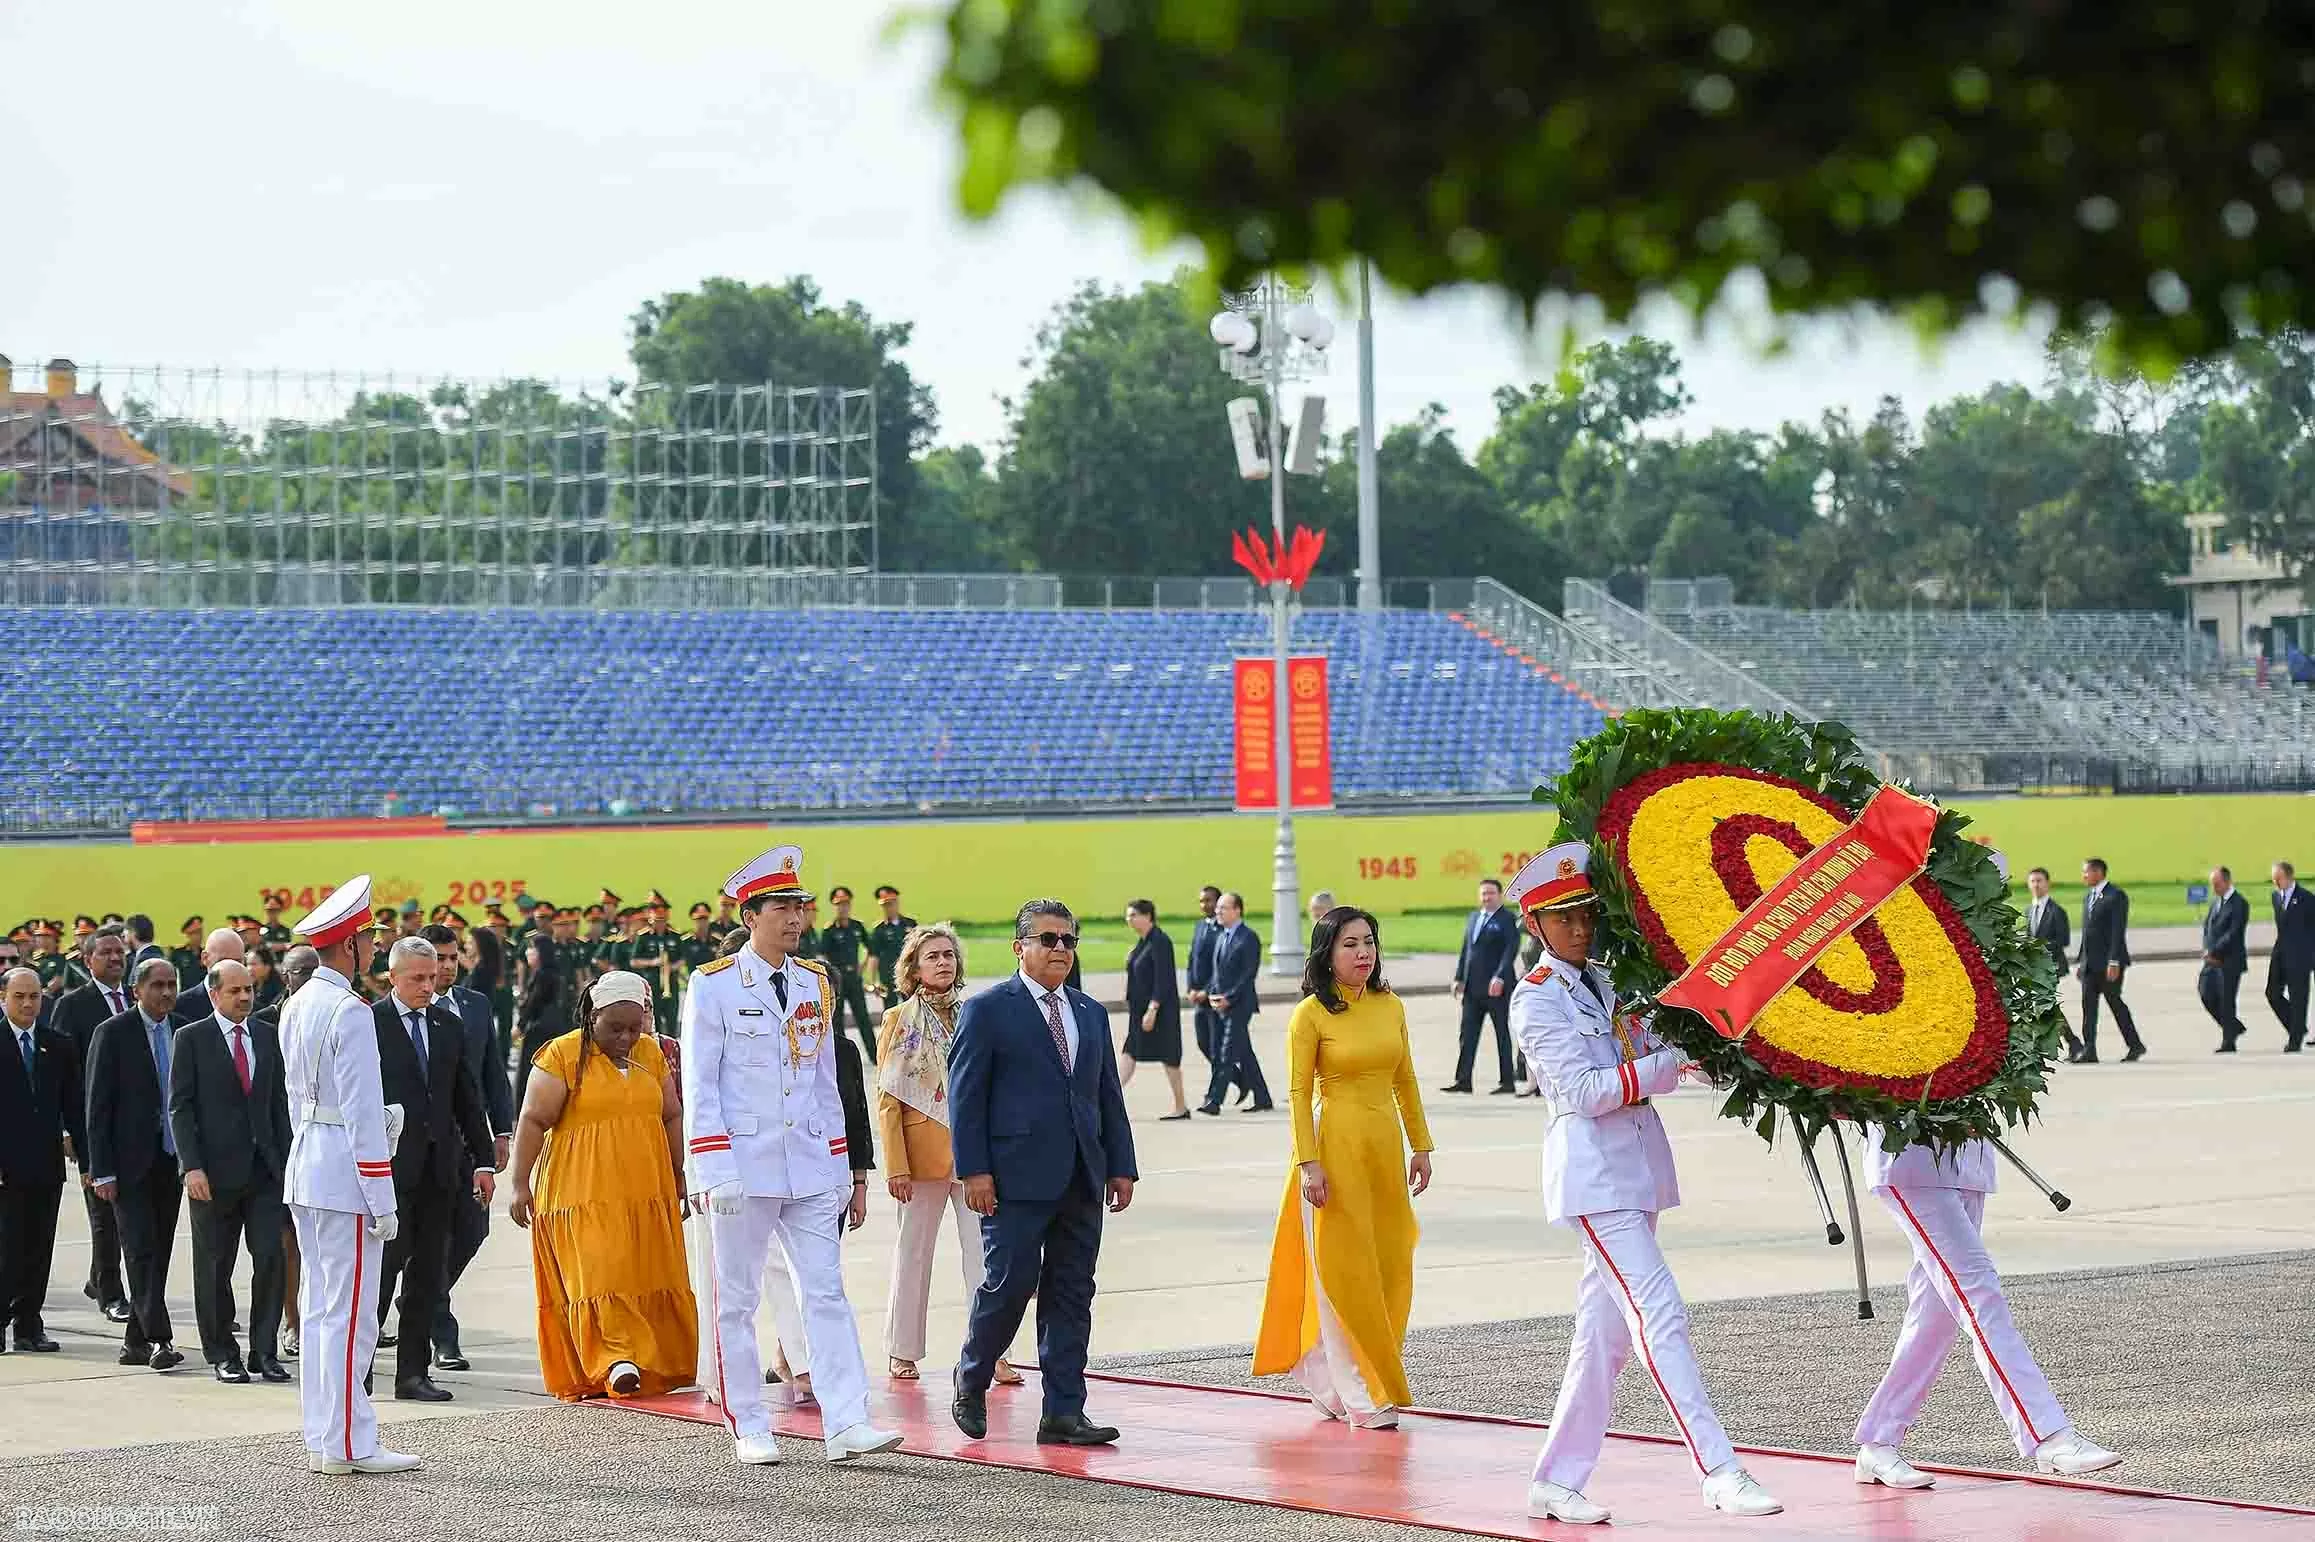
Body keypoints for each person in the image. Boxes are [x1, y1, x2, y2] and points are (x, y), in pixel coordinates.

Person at [1510, 843, 1780, 1525]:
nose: (1578, 928)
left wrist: (1715, 1055)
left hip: (1634, 1172)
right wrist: (1667, 1065)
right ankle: (1718, 1470)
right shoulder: (1534, 1000)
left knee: (1602, 1339)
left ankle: (1555, 1479)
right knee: (1659, 1313)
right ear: (1533, 925)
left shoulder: (1607, 981)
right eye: (1561, 918)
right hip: (1592, 1177)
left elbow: (1662, 1047)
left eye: (1585, 914)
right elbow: (1581, 1089)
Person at [683, 845, 900, 1466]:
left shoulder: (815, 983)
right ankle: (748, 1421)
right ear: (750, 915)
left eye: (799, 907)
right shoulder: (714, 985)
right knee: (738, 1298)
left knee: (825, 1291)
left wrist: (839, 1166)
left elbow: (825, 1081)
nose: (794, 918)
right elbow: (700, 1082)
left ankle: (847, 1419)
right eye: (780, 907)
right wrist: (712, 1165)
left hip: (806, 1163)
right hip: (741, 1166)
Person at [948, 899, 1138, 1447]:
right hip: (1011, 1180)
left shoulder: (1089, 1012)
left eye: (1068, 941)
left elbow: (1106, 1095)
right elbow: (966, 1099)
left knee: (1072, 1292)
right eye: (1048, 939)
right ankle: (972, 1377)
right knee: (1009, 1286)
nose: (1060, 950)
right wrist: (975, 1171)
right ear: (1020, 947)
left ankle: (1063, 1411)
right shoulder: (988, 1010)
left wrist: (1121, 1165)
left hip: (1082, 1176)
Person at [1851, 1125, 2120, 1486]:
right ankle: (2047, 1434)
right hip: (1911, 1161)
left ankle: (1878, 1440)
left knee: (1937, 1314)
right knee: (1979, 1296)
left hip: (1965, 1160)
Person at [1251, 906, 1433, 1427]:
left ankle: (1337, 1372)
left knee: (1391, 1266)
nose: (1363, 953)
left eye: (1369, 942)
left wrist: (1421, 1145)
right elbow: (1296, 1093)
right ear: (1327, 954)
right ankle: (1358, 1392)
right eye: (1350, 944)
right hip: (1335, 1150)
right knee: (1343, 1269)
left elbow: (1406, 1080)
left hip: (1385, 1150)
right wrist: (1309, 1163)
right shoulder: (1309, 1014)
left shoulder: (1390, 1004)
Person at [279, 876, 419, 1474]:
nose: (372, 950)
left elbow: (293, 1099)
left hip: (309, 1162)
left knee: (319, 1311)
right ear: (350, 946)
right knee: (352, 1317)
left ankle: (324, 1434)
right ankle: (348, 1443)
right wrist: (381, 1195)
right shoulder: (350, 1010)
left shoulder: (296, 1003)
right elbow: (364, 1115)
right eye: (367, 940)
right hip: (344, 1174)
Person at [508, 971, 697, 1400]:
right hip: (582, 1192)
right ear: (592, 1016)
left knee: (645, 1270)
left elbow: (671, 1113)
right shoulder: (562, 1054)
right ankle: (614, 1360)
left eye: (635, 1027)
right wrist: (520, 1183)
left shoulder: (650, 1053)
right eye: (616, 1027)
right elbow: (533, 1120)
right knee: (599, 1272)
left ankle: (651, 1360)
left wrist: (678, 1171)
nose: (627, 1037)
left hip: (646, 1190)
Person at [875, 924, 1021, 1384]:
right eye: (932, 956)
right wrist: (895, 1165)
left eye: (948, 955)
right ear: (914, 968)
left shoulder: (976, 1013)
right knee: (913, 1254)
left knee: (985, 1255)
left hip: (974, 1157)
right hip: (920, 1157)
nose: (942, 962)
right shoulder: (899, 1018)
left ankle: (991, 1349)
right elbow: (888, 1097)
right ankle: (903, 1351)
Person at [369, 936, 495, 1402]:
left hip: (439, 1171)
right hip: (389, 1172)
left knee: (427, 1276)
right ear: (393, 977)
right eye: (417, 978)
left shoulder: (447, 1024)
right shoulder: (371, 1024)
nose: (429, 985)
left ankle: (412, 1373)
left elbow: (467, 1097)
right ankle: (360, 1368)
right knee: (381, 1273)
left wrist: (482, 1159)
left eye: (432, 976)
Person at [168, 958, 292, 1385]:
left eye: (249, 990)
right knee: (215, 1266)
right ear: (213, 993)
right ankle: (222, 1351)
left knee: (271, 1260)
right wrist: (192, 1167)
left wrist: (287, 1163)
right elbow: (179, 1107)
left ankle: (264, 1351)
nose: (244, 997)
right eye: (235, 990)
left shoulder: (267, 1036)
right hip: (213, 1176)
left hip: (263, 1172)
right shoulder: (191, 1039)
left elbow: (278, 1105)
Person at [86, 955, 189, 1372]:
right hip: (128, 1165)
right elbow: (97, 1107)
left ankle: (134, 1344)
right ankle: (160, 1338)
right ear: (137, 991)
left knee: (158, 1250)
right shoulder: (112, 1033)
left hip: (172, 1160)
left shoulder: (184, 1029)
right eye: (157, 985)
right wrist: (102, 1169)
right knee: (140, 1249)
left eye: (171, 984)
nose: (166, 992)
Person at [421, 924, 513, 1373]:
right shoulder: (405, 1012)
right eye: (438, 958)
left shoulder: (475, 1007)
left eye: (453, 957)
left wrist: (501, 1132)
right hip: (427, 1144)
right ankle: (442, 1332)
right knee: (433, 1236)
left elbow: (493, 1073)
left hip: (471, 1143)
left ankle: (423, 1294)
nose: (446, 967)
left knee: (474, 1230)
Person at [51, 929, 131, 1323]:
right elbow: (64, 1076)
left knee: (128, 1214)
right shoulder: (73, 1006)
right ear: (87, 959)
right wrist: (68, 1130)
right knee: (104, 1215)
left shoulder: (137, 997)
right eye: (106, 952)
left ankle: (98, 1278)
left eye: (120, 951)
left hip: (133, 1128)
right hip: (91, 1128)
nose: (115, 957)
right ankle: (112, 1294)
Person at [1, 966, 80, 1353]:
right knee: (6, 1247)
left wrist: (87, 1158)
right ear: (4, 999)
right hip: (5, 1167)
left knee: (38, 1248)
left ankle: (29, 1324)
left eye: (34, 996)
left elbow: (73, 1107)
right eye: (20, 997)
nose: (29, 1003)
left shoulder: (57, 1044)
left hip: (46, 1166)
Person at [255, 945, 321, 1358]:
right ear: (286, 977)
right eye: (301, 973)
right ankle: (293, 1321)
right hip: (277, 1149)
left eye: (316, 972)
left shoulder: (335, 1015)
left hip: (321, 1144)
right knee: (287, 1244)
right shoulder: (265, 1024)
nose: (309, 980)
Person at [1197, 891, 1273, 1115]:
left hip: (1240, 1005)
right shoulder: (1222, 936)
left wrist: (1228, 998)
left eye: (1223, 908)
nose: (1218, 912)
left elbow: (1247, 975)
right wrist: (1211, 994)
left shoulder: (1248, 938)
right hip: (1220, 1004)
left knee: (1226, 1052)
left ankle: (1214, 1100)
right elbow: (1218, 972)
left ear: (1237, 910)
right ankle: (1263, 1096)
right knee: (1244, 1052)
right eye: (1218, 908)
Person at [1446, 877, 1522, 1095]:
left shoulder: (1507, 919)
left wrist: (1499, 977)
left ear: (1499, 895)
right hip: (1472, 988)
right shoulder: (1473, 918)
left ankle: (1507, 1081)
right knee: (1467, 1034)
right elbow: (1466, 951)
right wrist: (1459, 978)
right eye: (1483, 893)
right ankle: (1463, 1080)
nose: (1486, 897)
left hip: (1496, 988)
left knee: (1502, 1034)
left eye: (1490, 893)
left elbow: (1510, 950)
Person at [1122, 900, 1188, 1119]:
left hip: (1159, 1013)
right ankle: (1106, 1100)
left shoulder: (1160, 942)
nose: (1128, 920)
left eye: (1133, 915)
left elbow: (1164, 979)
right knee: (1129, 1053)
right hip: (1139, 1012)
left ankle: (1181, 1106)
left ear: (1147, 916)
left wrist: (1153, 1009)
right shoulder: (1142, 943)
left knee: (1169, 1057)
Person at [2076, 858, 2143, 1064]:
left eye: (2086, 872)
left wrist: (2114, 961)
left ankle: (2135, 1045)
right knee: (2088, 1006)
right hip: (2090, 963)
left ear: (2098, 872)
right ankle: (2089, 1049)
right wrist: (2082, 961)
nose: (2084, 876)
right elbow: (2088, 933)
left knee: (2115, 1003)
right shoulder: (2089, 897)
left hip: (2108, 964)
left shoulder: (2116, 896)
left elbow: (2117, 931)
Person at [2022, 868, 2078, 1058]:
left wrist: (2038, 947)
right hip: (2034, 969)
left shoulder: (2057, 911)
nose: (2036, 885)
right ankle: (2070, 1042)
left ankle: (2065, 1042)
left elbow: (2063, 940)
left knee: (2046, 1005)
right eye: (2033, 881)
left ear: (2047, 884)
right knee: (2044, 1006)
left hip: (2052, 967)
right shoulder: (2029, 911)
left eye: (2039, 881)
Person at [817, 885, 878, 1064]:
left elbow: (871, 948)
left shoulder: (857, 926)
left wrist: (863, 965)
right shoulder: (829, 931)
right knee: (837, 1020)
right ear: (834, 906)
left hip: (854, 979)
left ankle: (875, 1056)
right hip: (838, 981)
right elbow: (822, 955)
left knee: (863, 1018)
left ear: (850, 905)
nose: (842, 908)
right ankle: (842, 1059)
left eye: (845, 904)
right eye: (838, 904)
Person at [2201, 867, 2252, 1052]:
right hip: (2211, 960)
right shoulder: (2215, 902)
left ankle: (2228, 1041)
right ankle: (2234, 1027)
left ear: (2227, 881)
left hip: (2229, 961)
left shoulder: (2239, 904)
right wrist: (2207, 949)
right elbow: (2207, 927)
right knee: (2206, 994)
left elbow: (2234, 933)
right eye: (2212, 884)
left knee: (2226, 1000)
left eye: (2217, 884)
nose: (2214, 888)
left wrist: (2215, 951)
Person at [1185, 885, 1229, 1095]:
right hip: (1198, 996)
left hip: (1214, 996)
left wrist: (1206, 990)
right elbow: (1192, 958)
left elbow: (1219, 967)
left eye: (1209, 901)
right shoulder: (1200, 926)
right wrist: (1190, 988)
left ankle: (1214, 1094)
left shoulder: (1223, 929)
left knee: (1216, 1046)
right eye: (1202, 901)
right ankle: (1239, 1079)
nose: (1205, 905)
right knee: (1203, 1043)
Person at [517, 933, 568, 1104]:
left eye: (531, 948)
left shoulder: (544, 975)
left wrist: (520, 1026)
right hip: (551, 1027)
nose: (527, 953)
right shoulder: (550, 972)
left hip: (540, 1030)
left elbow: (534, 1003)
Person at [2269, 861, 2313, 1052]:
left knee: (2298, 998)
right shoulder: (2275, 897)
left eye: (2279, 878)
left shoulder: (2307, 899)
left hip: (2301, 956)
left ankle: (2295, 1040)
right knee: (2272, 993)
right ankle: (2298, 1028)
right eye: (2274, 879)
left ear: (2289, 877)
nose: (2276, 882)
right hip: (2280, 953)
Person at [171, 927, 246, 1028]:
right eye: (223, 962)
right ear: (205, 958)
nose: (230, 969)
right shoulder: (179, 1008)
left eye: (237, 962)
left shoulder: (255, 1010)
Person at [867, 886, 918, 1013]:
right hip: (888, 977)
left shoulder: (910, 924)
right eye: (885, 905)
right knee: (891, 1012)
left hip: (908, 974)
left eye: (891, 904)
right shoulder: (879, 929)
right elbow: (874, 956)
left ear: (897, 903)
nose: (888, 908)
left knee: (912, 1010)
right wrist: (873, 981)